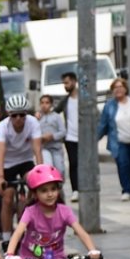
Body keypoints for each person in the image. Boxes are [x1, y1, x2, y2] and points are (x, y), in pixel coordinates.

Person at [0, 94, 44, 240]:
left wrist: (41, 174)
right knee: (7, 198)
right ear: (9, 115)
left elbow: (37, 150)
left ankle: (31, 223)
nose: (18, 119)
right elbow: (1, 153)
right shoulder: (3, 126)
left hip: (25, 160)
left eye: (22, 115)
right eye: (14, 115)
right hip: (7, 163)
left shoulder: (33, 122)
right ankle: (7, 237)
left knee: (35, 183)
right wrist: (0, 177)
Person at [97, 77, 130, 201]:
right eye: (115, 88)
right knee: (123, 164)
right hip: (118, 142)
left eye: (120, 87)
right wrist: (95, 138)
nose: (118, 90)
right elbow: (103, 125)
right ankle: (126, 190)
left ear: (126, 88)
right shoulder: (109, 106)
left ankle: (129, 181)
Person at [55, 72, 81, 200]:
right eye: (64, 83)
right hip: (70, 138)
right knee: (73, 163)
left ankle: (85, 187)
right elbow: (54, 112)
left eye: (67, 82)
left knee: (84, 164)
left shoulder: (84, 98)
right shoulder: (65, 100)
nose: (65, 85)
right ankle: (75, 189)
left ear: (74, 81)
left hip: (84, 138)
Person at [37, 95, 67, 179]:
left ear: (51, 104)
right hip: (44, 148)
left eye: (47, 103)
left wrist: (52, 136)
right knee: (48, 168)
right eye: (42, 103)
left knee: (60, 170)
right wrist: (41, 138)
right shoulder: (38, 118)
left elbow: (63, 132)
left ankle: (59, 188)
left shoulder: (56, 117)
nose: (44, 105)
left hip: (56, 148)